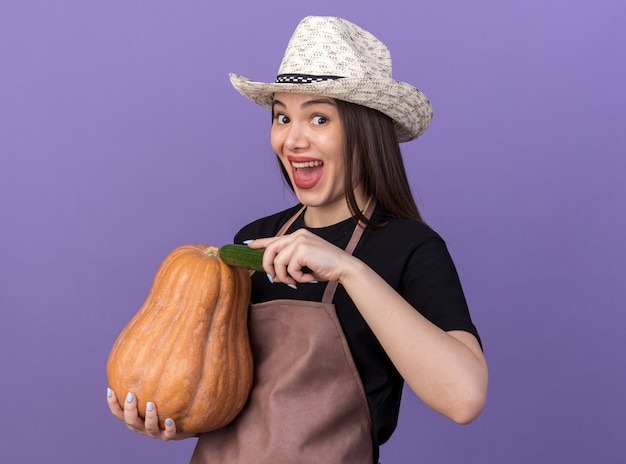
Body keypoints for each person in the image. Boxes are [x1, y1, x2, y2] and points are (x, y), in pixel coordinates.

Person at [107, 15, 488, 463]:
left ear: (366, 130)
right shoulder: (251, 244)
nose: (293, 138)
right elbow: (219, 387)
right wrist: (177, 418)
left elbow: (463, 398)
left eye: (320, 118)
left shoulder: (410, 248)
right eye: (282, 117)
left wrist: (350, 270)